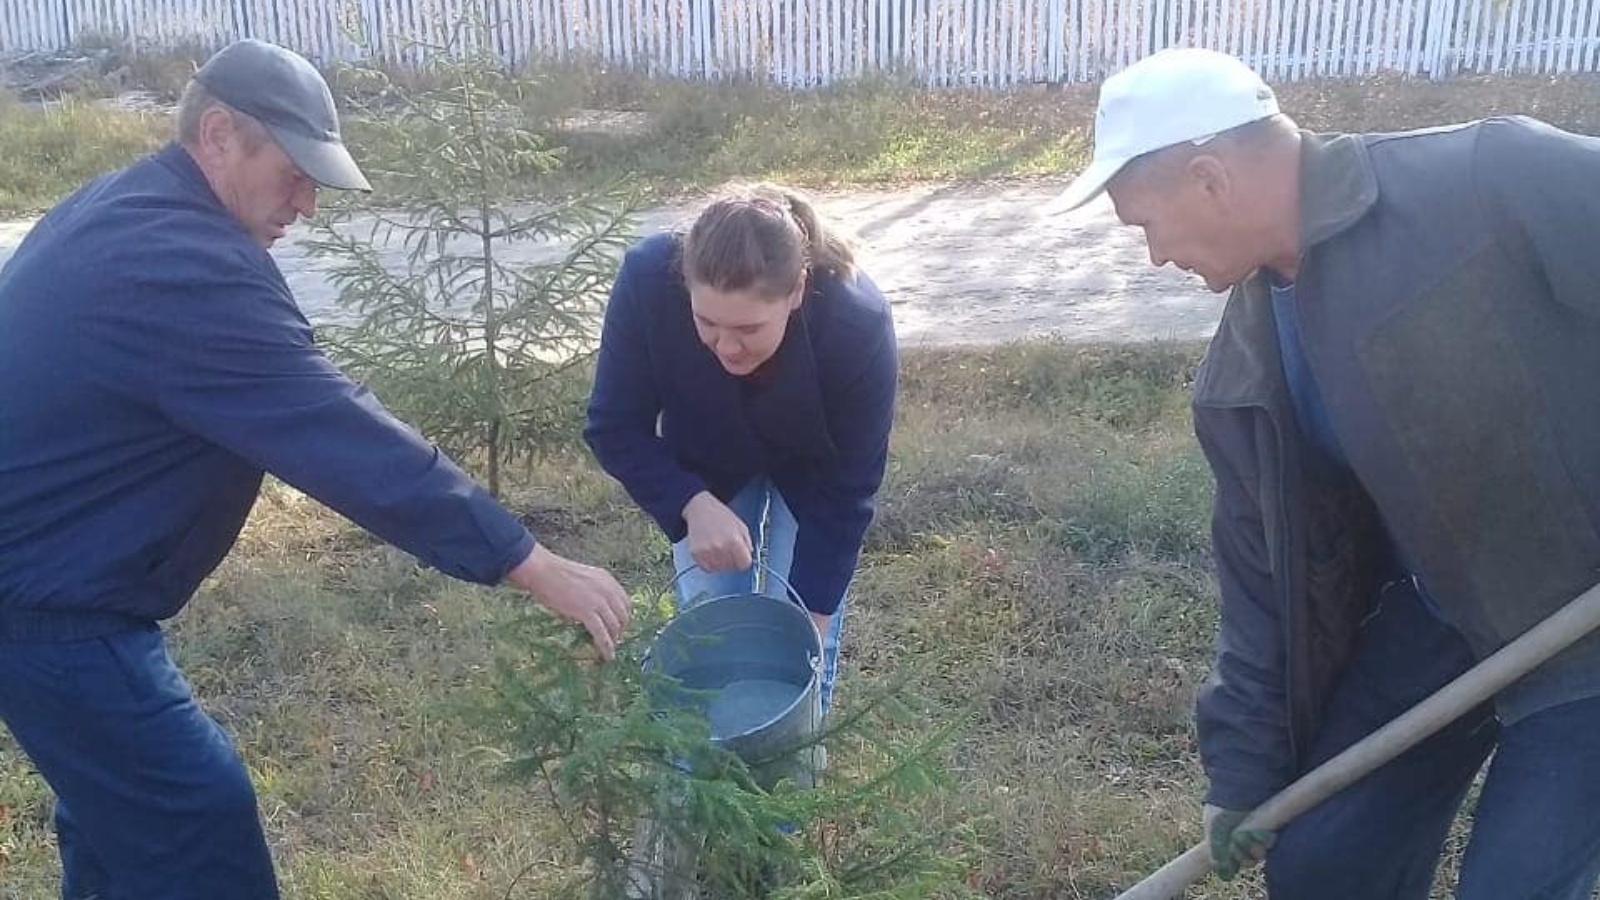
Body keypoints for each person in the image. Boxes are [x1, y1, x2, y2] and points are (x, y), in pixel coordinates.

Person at [0, 39, 631, 900]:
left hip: (49, 581)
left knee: (122, 815)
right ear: (218, 135)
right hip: (45, 608)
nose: (307, 203)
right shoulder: (181, 266)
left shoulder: (133, 209)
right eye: (294, 173)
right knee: (196, 817)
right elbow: (343, 436)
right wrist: (530, 560)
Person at [1055, 47, 1600, 899]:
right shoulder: (1245, 376)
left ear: (1209, 179)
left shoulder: (1485, 179)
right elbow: (1264, 587)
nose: (1155, 256)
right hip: (1444, 621)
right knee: (1326, 864)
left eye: (1146, 225)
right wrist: (1241, 774)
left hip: (1582, 623)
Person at [584, 183, 898, 717]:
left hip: (815, 466)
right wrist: (691, 503)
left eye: (749, 328)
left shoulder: (855, 323)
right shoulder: (648, 281)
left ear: (796, 291)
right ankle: (704, 761)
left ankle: (799, 760)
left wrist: (809, 630)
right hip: (706, 457)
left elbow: (847, 496)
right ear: (685, 285)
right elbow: (613, 425)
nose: (727, 346)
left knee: (803, 643)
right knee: (712, 626)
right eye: (706, 324)